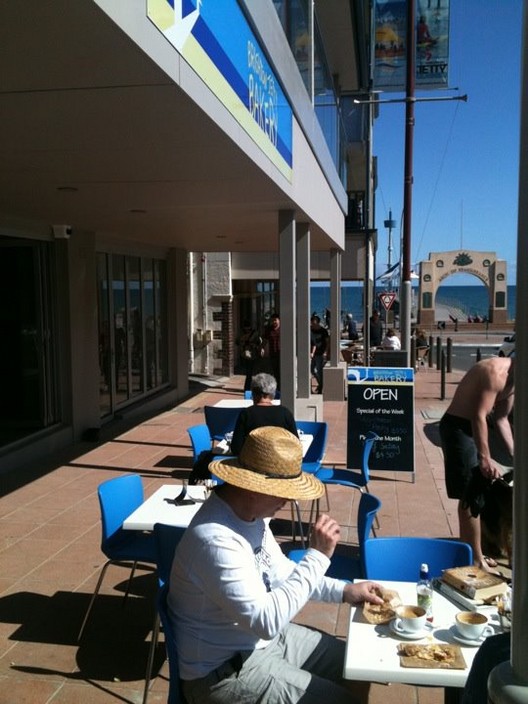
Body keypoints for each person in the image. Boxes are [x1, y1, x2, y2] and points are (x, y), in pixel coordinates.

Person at [168, 426, 384, 704]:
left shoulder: (251, 515)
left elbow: (281, 573)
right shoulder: (216, 540)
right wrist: (317, 558)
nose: (289, 499)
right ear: (252, 488)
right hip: (223, 674)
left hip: (260, 644)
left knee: (355, 666)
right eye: (281, 490)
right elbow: (265, 622)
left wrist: (344, 592)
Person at [439, 356, 514, 572]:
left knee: (478, 492)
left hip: (472, 427)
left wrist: (515, 456)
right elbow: (478, 416)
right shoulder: (496, 373)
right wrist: (485, 457)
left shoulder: (516, 380)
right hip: (458, 428)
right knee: (470, 495)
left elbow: (501, 419)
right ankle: (474, 559)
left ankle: (473, 550)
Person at [230, 373, 297, 455]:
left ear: (253, 393)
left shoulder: (246, 414)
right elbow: (295, 444)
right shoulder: (285, 413)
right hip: (279, 462)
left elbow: (236, 448)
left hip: (252, 463)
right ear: (273, 394)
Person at [235, 320, 263, 392]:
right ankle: (248, 388)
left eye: (247, 328)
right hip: (246, 355)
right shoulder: (243, 334)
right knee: (249, 373)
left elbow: (260, 342)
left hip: (252, 355)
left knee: (251, 373)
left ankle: (249, 388)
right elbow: (237, 342)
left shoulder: (253, 333)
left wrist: (253, 345)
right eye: (246, 328)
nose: (246, 329)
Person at [310, 315, 330, 394]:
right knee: (312, 370)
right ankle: (321, 384)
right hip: (312, 353)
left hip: (320, 353)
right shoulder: (310, 330)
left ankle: (321, 387)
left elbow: (327, 342)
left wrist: (326, 352)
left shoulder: (323, 331)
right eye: (312, 323)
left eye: (315, 324)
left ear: (318, 323)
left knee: (319, 371)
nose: (313, 325)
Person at [263, 314, 281, 389]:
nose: (274, 322)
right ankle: (277, 387)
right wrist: (262, 348)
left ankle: (283, 386)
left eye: (275, 320)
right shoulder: (269, 330)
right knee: (274, 371)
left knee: (282, 371)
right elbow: (265, 340)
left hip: (282, 354)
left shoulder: (283, 328)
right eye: (272, 320)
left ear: (279, 320)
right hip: (273, 353)